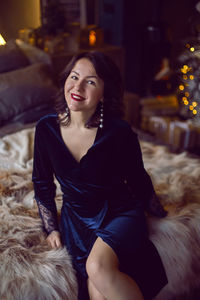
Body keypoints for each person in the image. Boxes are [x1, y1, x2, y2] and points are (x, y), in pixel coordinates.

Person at [32, 51, 168, 300]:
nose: (78, 86)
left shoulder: (119, 132)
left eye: (91, 81)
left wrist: (158, 211)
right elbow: (42, 183)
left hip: (119, 213)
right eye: (74, 77)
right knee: (96, 290)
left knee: (96, 267)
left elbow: (137, 177)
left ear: (104, 93)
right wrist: (51, 228)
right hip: (78, 222)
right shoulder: (45, 129)